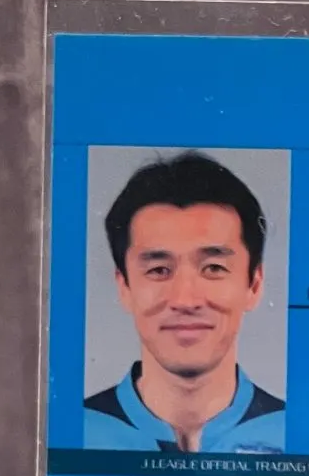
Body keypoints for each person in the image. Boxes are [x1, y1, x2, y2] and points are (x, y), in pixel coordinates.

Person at [85, 152, 285, 453]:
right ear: (124, 286)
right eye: (158, 270)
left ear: (254, 284)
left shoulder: (295, 433)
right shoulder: (72, 431)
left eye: (214, 268)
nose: (185, 300)